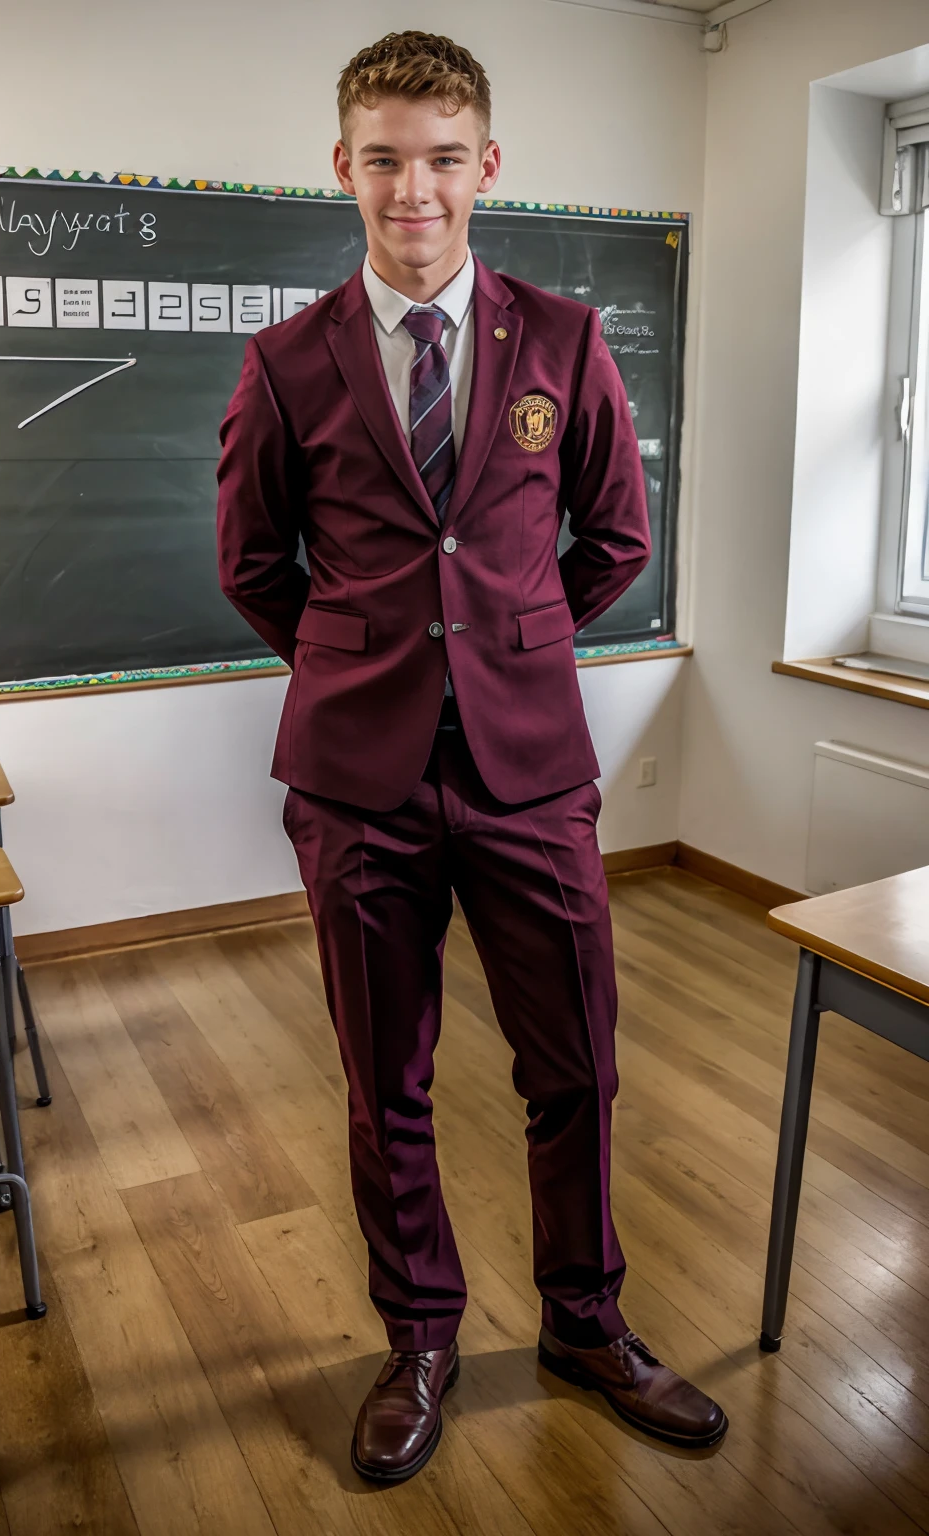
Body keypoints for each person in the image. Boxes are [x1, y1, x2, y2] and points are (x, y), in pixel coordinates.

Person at [217, 29, 727, 1485]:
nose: (414, 189)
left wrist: (503, 642)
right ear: (345, 169)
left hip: (531, 774)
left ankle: (585, 1319)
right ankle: (422, 1337)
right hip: (356, 785)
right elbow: (257, 563)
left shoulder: (564, 342)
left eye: (443, 159)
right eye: (384, 158)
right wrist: (372, 657)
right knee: (389, 1083)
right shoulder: (288, 359)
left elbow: (617, 536)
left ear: (485, 167)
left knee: (576, 1065)